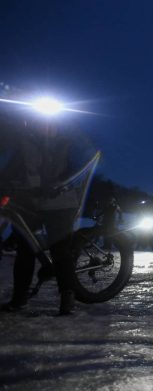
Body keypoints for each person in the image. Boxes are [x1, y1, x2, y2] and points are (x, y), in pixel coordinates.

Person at [0, 100, 96, 315]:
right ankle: (19, 298)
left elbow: (85, 162)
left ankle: (67, 297)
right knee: (25, 251)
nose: (44, 125)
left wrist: (62, 183)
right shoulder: (25, 142)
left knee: (60, 250)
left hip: (61, 202)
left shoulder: (71, 140)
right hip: (30, 203)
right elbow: (10, 169)